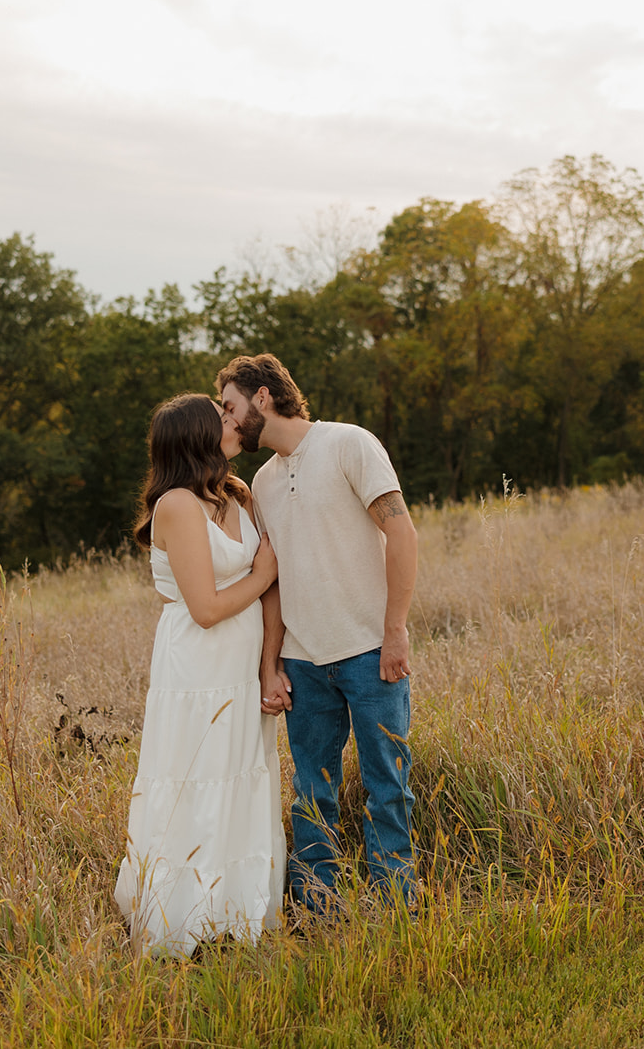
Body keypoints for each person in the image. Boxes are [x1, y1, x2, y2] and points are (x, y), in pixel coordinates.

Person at [217, 354, 420, 912]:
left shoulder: (349, 443)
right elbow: (273, 580)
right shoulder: (262, 481)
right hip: (305, 664)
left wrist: (395, 630)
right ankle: (316, 910)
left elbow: (402, 535)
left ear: (262, 397)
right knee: (312, 793)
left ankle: (395, 906)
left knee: (387, 785)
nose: (229, 422)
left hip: (370, 653)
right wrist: (273, 662)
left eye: (232, 407)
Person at [113, 394, 287, 957]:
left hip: (243, 664)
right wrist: (263, 573)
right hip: (198, 666)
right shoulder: (177, 506)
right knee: (199, 778)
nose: (233, 423)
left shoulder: (236, 493)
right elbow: (206, 608)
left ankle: (237, 913)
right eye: (222, 419)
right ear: (196, 437)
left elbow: (270, 587)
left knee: (243, 774)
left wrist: (270, 666)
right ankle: (186, 917)